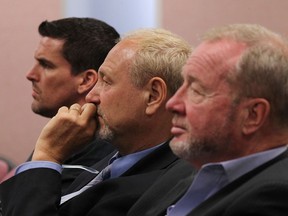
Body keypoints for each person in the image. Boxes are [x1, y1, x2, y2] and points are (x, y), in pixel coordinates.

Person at [0, 28, 192, 216]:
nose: (91, 96)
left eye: (106, 81)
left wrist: (47, 156)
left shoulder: (167, 187)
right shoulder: (112, 163)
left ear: (153, 96)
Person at [136, 23, 288, 216]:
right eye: (183, 85)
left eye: (196, 91)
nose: (172, 103)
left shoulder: (273, 198)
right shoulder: (194, 170)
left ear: (252, 115)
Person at [0, 18, 119, 186]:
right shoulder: (61, 137)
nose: (30, 74)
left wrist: (48, 154)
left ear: (86, 80)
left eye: (46, 65)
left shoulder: (101, 158)